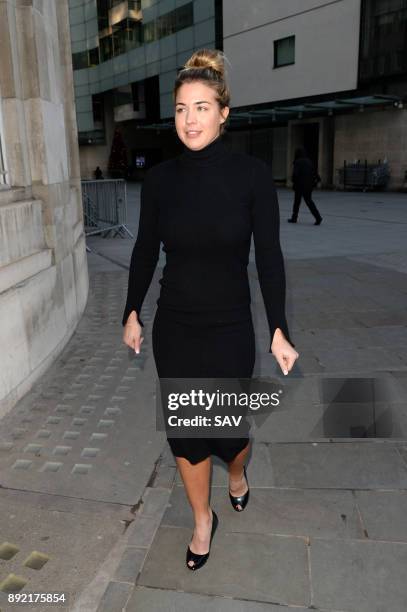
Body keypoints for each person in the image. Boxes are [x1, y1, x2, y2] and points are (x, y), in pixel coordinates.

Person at [122, 49, 299, 571]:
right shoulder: (160, 181)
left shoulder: (251, 176)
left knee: (229, 436)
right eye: (180, 108)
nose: (189, 119)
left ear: (224, 112)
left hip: (228, 328)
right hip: (176, 327)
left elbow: (268, 255)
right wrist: (131, 310)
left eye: (201, 107)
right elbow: (144, 250)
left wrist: (279, 328)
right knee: (186, 433)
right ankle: (203, 519)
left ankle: (239, 472)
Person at [288, 147, 323, 225]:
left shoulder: (297, 162)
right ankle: (318, 217)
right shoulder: (309, 161)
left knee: (297, 202)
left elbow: (295, 174)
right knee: (309, 201)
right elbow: (315, 173)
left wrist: (293, 181)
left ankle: (294, 218)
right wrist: (316, 181)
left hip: (299, 185)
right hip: (309, 185)